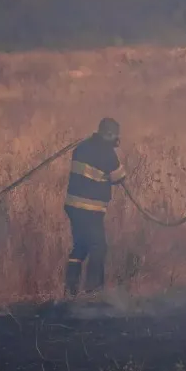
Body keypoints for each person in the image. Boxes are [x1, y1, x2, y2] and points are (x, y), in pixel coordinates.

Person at [63, 117, 127, 296]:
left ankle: (71, 289)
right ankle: (94, 290)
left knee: (80, 246)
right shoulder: (107, 153)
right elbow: (119, 177)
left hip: (73, 207)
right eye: (115, 135)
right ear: (110, 134)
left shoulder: (81, 147)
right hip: (90, 210)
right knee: (99, 247)